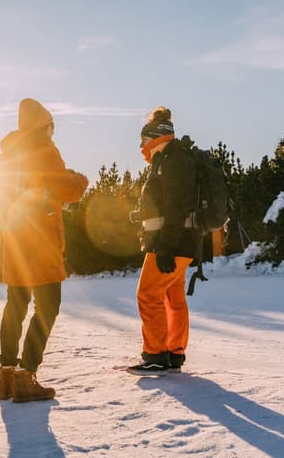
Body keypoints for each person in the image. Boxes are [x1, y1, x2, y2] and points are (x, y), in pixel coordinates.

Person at [0, 98, 88, 402]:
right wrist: (79, 180)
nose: (53, 130)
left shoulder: (7, 154)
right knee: (48, 307)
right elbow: (68, 189)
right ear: (43, 124)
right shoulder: (45, 150)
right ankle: (25, 375)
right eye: (51, 125)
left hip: (14, 239)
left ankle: (6, 376)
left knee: (16, 304)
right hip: (41, 240)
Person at [127, 107, 198, 375]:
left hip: (172, 243)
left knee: (148, 294)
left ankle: (156, 356)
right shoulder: (167, 161)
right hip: (177, 242)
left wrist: (166, 248)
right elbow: (165, 204)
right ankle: (173, 353)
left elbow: (177, 208)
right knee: (172, 296)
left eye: (143, 141)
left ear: (156, 137)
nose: (140, 146)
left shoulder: (173, 161)